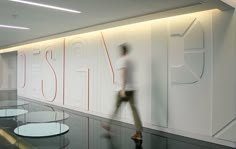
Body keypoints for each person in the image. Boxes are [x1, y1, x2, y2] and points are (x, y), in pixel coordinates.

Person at [102, 43, 143, 140]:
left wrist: (123, 89)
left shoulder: (122, 60)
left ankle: (108, 124)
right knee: (134, 110)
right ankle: (139, 132)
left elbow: (123, 74)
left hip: (123, 89)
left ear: (122, 51)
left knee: (116, 107)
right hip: (132, 88)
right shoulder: (132, 61)